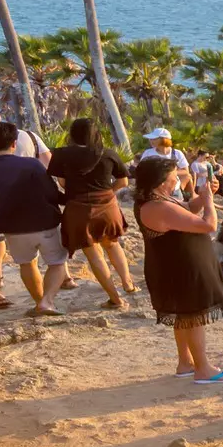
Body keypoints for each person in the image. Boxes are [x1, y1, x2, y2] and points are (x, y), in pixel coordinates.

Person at [132, 156, 223, 384]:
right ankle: (203, 369)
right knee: (194, 317)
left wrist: (202, 195)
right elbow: (208, 225)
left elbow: (187, 209)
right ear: (161, 182)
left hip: (175, 266)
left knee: (184, 316)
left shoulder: (155, 199)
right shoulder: (158, 206)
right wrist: (209, 202)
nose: (177, 180)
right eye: (173, 177)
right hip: (180, 268)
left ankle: (186, 363)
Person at [45, 118, 134, 309]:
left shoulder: (61, 154)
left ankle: (116, 299)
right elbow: (124, 182)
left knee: (94, 255)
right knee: (112, 244)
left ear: (73, 134)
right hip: (108, 205)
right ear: (96, 134)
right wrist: (108, 190)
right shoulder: (108, 153)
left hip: (79, 208)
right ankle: (128, 283)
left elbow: (61, 183)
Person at [0, 122, 68, 316]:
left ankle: (40, 302)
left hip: (13, 229)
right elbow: (51, 191)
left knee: (27, 264)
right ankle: (47, 301)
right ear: (14, 143)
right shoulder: (31, 164)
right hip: (44, 222)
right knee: (56, 263)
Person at [0, 107, 48, 289]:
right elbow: (49, 163)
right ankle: (66, 278)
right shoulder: (29, 135)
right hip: (34, 199)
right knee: (48, 241)